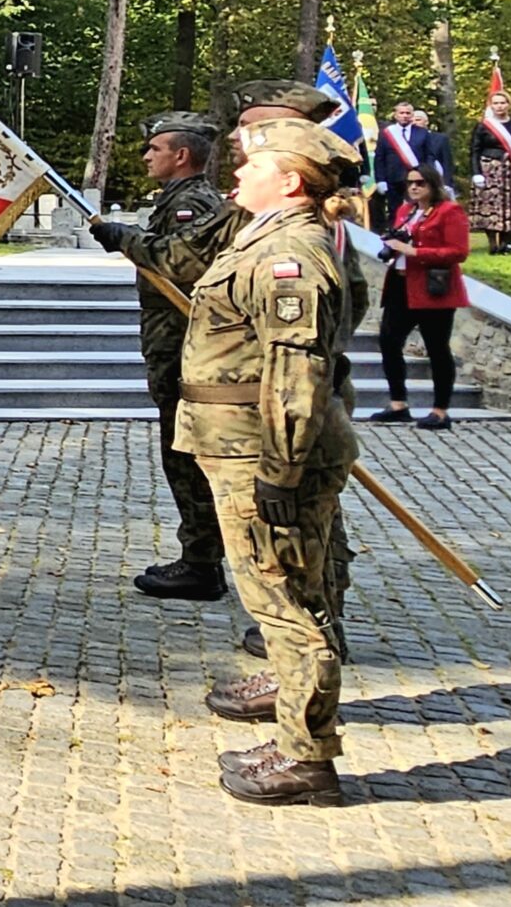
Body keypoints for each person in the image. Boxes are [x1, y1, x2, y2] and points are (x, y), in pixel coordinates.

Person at [182, 116, 362, 807]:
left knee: (287, 604)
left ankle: (306, 757)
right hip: (238, 444)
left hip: (263, 450)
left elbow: (297, 372)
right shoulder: (264, 237)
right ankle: (293, 728)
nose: (236, 173)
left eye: (252, 166)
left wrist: (280, 474)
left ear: (288, 181)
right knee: (282, 594)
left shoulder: (291, 255)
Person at [89, 112, 233, 601]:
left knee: (186, 454)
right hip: (171, 343)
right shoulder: (175, 199)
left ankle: (202, 562)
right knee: (179, 451)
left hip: (184, 345)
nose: (147, 156)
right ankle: (200, 556)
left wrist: (124, 239)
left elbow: (180, 261)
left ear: (182, 155)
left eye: (155, 148)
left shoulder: (192, 202)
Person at [370, 162, 464, 430]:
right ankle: (398, 403)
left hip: (432, 289)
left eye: (420, 183)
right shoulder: (405, 210)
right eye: (410, 183)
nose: (413, 187)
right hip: (400, 285)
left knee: (437, 348)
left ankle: (440, 410)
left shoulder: (449, 211)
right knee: (389, 341)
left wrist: (415, 252)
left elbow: (458, 251)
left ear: (433, 184)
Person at [467, 88, 511, 254]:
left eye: (503, 103)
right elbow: (475, 151)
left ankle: (506, 243)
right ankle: (492, 243)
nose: (499, 106)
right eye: (496, 103)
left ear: (509, 105)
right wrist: (476, 173)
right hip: (489, 170)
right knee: (489, 207)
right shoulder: (483, 126)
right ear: (491, 105)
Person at [372, 101, 452, 228]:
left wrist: (428, 175)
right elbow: (379, 158)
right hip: (393, 179)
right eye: (401, 113)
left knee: (418, 209)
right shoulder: (386, 133)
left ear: (412, 115)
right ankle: (395, 235)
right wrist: (380, 180)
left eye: (408, 113)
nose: (404, 116)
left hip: (418, 179)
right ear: (395, 115)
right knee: (394, 211)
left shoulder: (422, 133)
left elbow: (429, 156)